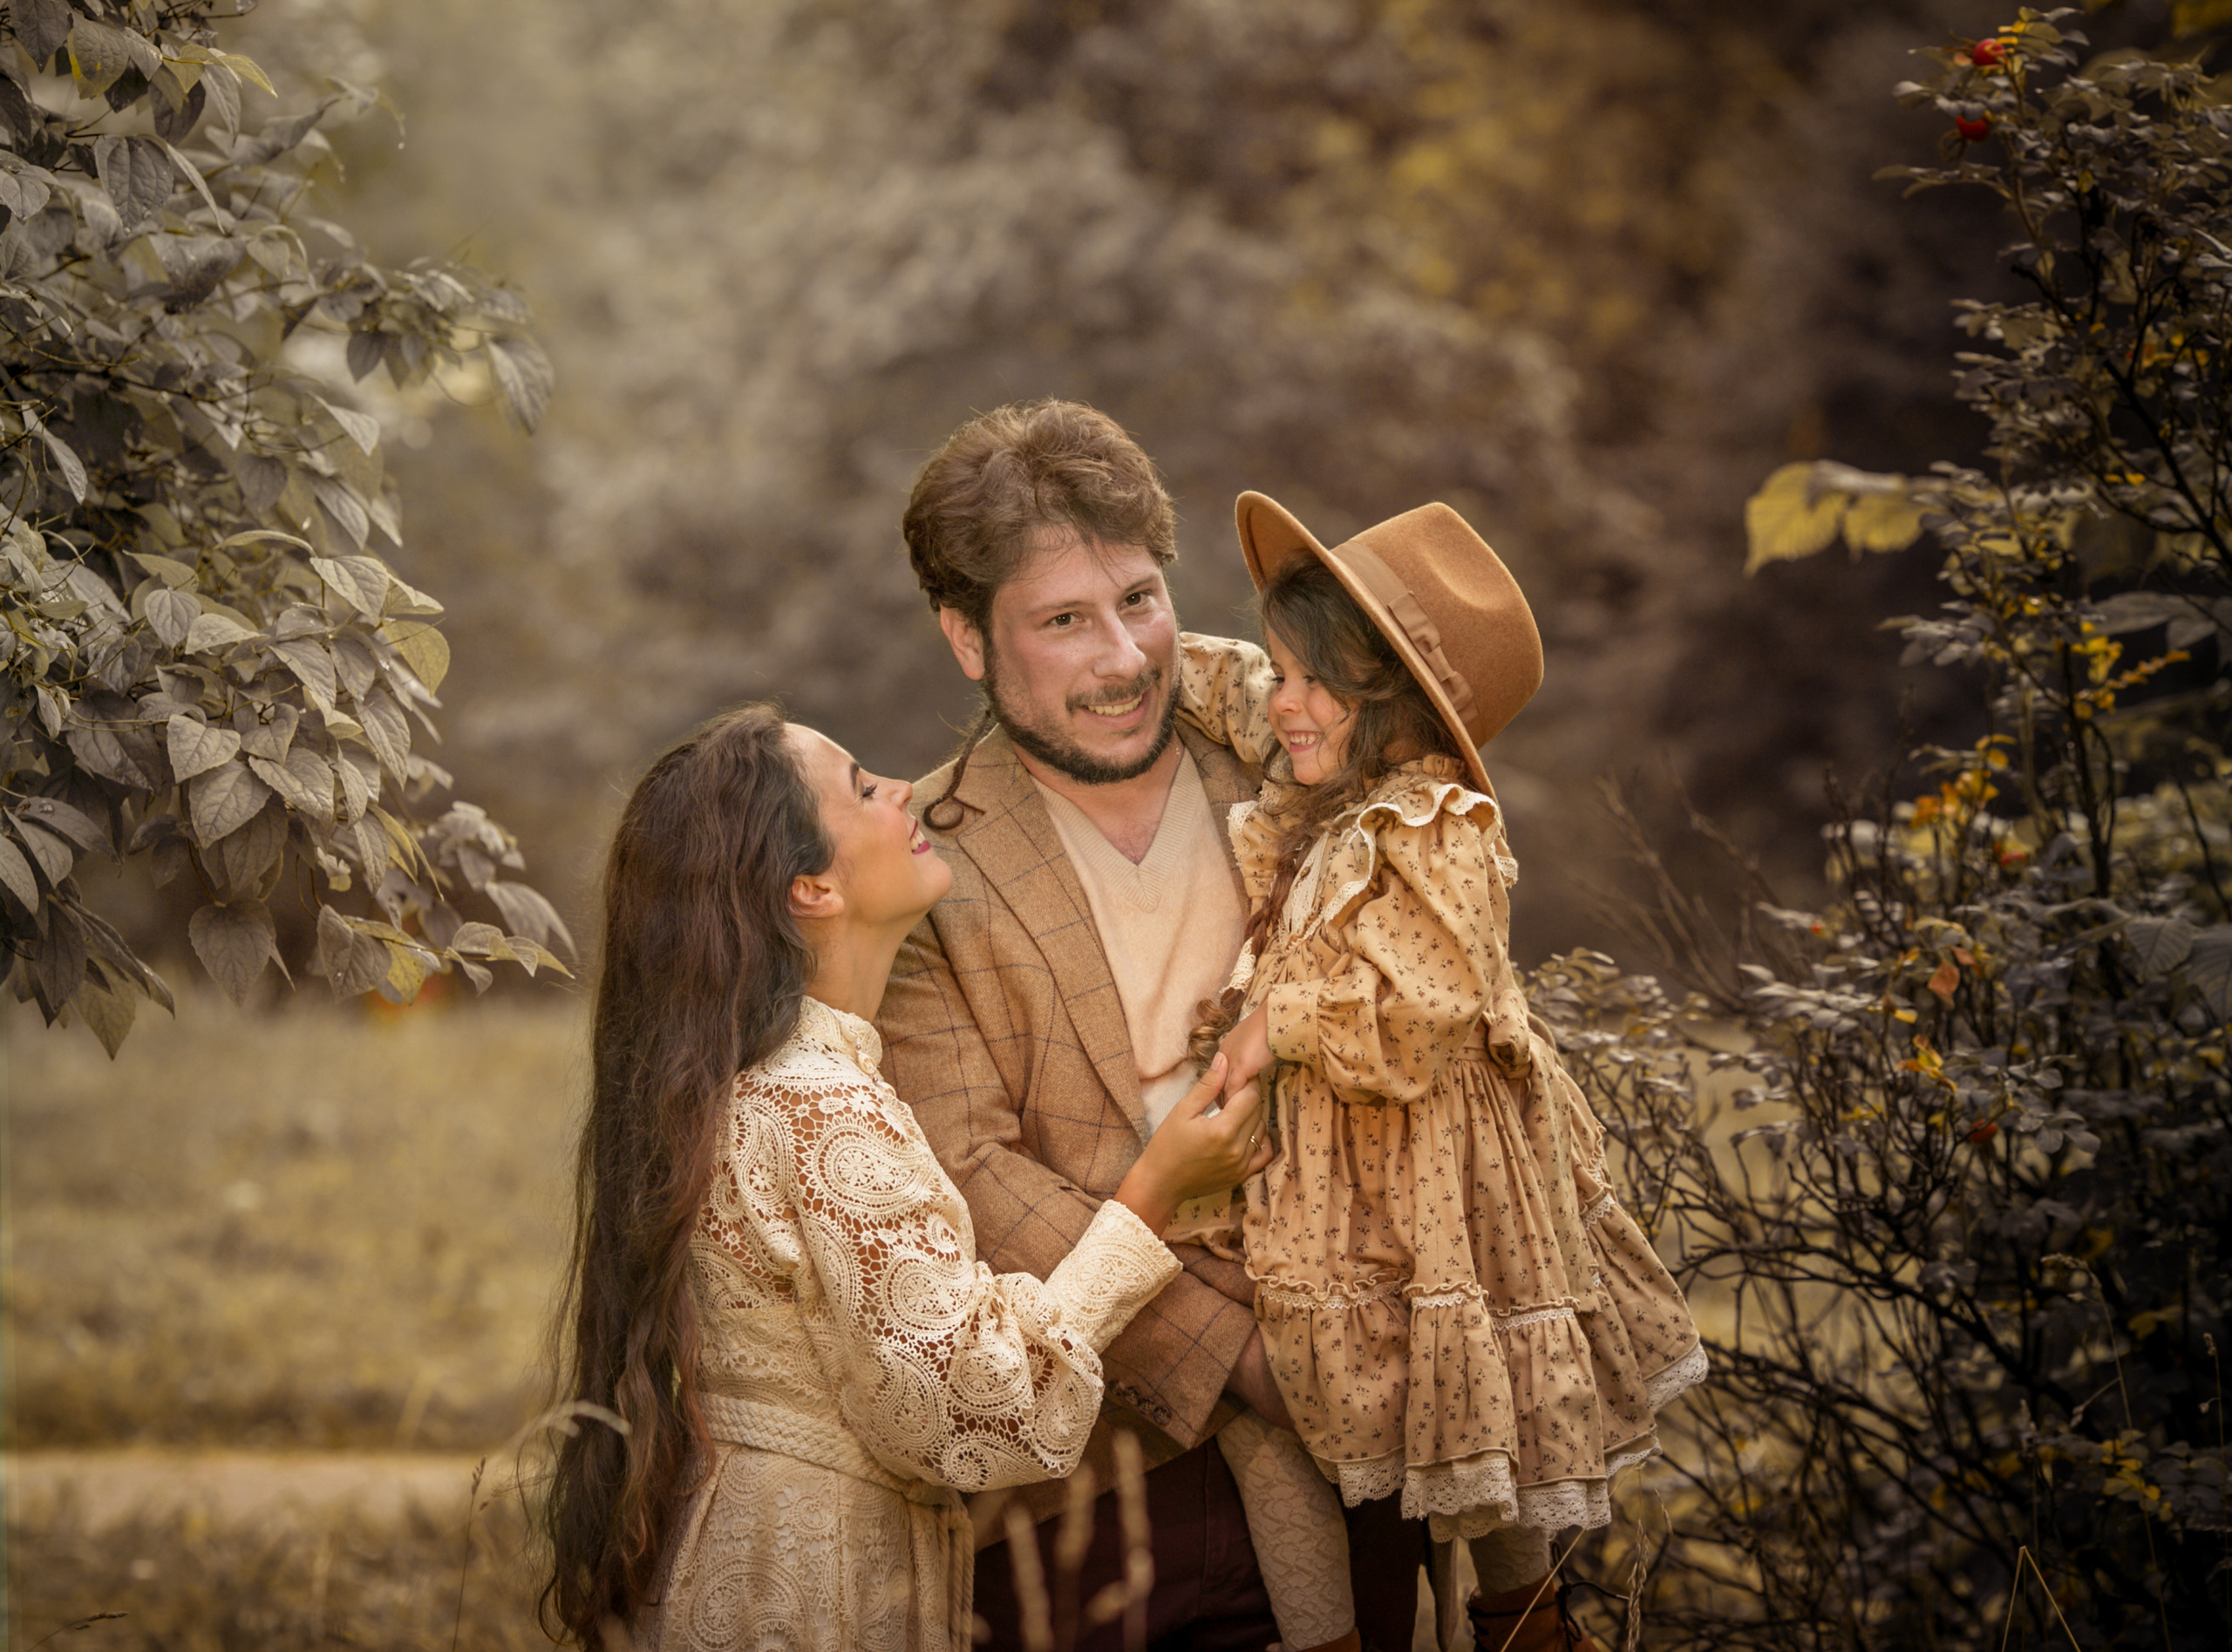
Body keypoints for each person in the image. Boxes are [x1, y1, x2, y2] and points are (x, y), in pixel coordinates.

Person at [539, 703, 1274, 1651]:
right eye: (860, 785)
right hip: (818, 1587)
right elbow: (973, 1406)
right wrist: (1156, 1188)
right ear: (810, 885)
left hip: (756, 1556)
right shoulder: (824, 1105)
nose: (900, 789)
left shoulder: (758, 1086)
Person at [881, 402, 1410, 1651]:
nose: (1123, 655)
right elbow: (971, 1173)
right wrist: (1245, 1356)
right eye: (1064, 620)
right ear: (967, 638)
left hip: (1373, 1428)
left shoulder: (1289, 764)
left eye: (1140, 598)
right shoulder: (912, 867)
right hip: (1104, 1492)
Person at [1180, 493, 1711, 1652]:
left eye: (1313, 681)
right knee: (1334, 1416)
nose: (1284, 703)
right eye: (1282, 671)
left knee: (1434, 1404)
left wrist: (1280, 1021)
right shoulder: (1332, 762)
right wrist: (1125, 645)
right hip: (1345, 1167)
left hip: (1426, 1174)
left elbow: (1427, 1013)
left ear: (1394, 702)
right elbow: (1225, 680)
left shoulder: (1433, 822)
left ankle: (1514, 1625)